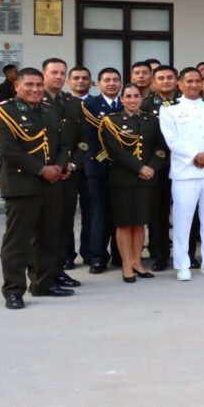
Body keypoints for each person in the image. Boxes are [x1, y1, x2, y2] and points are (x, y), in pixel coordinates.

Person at [0, 68, 72, 309]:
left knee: (48, 237)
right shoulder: (3, 113)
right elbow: (8, 149)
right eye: (29, 85)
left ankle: (42, 283)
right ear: (17, 87)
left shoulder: (49, 110)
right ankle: (13, 291)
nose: (35, 90)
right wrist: (41, 170)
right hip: (22, 184)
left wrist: (60, 164)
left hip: (52, 184)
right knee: (18, 241)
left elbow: (63, 143)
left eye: (38, 85)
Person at [159, 67, 204, 281]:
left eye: (197, 80)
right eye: (188, 81)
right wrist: (194, 156)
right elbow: (172, 139)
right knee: (182, 220)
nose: (193, 84)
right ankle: (182, 264)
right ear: (179, 84)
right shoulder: (169, 109)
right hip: (185, 173)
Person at [100, 84, 167, 282]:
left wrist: (152, 167)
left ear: (141, 98)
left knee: (139, 222)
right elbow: (114, 151)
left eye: (136, 96)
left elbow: (161, 149)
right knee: (124, 223)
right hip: (123, 179)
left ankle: (137, 261)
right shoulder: (111, 121)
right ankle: (126, 263)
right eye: (128, 96)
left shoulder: (152, 121)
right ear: (122, 99)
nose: (132, 99)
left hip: (147, 179)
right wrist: (140, 168)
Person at [40, 59, 85, 288]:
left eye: (61, 73)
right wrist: (57, 166)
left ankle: (59, 270)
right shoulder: (38, 101)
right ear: (43, 74)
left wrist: (72, 165)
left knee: (64, 224)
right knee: (46, 228)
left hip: (69, 175)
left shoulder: (73, 103)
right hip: (47, 175)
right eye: (54, 72)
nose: (58, 76)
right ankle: (43, 275)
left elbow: (83, 141)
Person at [81, 67, 123, 273]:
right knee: (99, 213)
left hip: (123, 170)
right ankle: (98, 257)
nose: (112, 83)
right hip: (98, 166)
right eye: (107, 80)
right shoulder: (89, 105)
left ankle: (119, 255)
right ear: (98, 84)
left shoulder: (127, 104)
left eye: (116, 80)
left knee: (120, 213)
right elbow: (90, 137)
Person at [146, 65, 180, 272]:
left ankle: (187, 254)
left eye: (170, 77)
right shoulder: (145, 105)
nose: (166, 81)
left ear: (177, 81)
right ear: (153, 82)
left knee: (185, 211)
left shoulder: (187, 103)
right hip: (157, 167)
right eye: (161, 78)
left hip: (184, 164)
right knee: (157, 213)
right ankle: (160, 254)